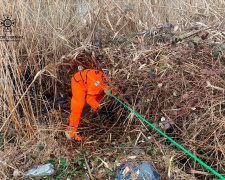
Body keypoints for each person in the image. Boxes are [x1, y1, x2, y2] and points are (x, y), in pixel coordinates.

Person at [65, 65, 116, 141]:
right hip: (78, 82)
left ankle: (94, 114)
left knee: (99, 97)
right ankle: (71, 132)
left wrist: (98, 108)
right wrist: (99, 108)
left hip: (89, 81)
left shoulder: (106, 81)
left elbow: (102, 94)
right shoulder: (97, 83)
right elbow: (90, 99)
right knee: (79, 105)